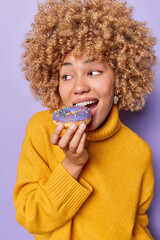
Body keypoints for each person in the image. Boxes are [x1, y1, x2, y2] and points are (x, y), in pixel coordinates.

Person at [13, 0, 157, 239]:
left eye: (93, 72)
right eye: (66, 75)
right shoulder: (41, 129)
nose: (79, 87)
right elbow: (30, 216)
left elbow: (138, 228)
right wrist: (72, 164)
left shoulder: (139, 152)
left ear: (119, 77)